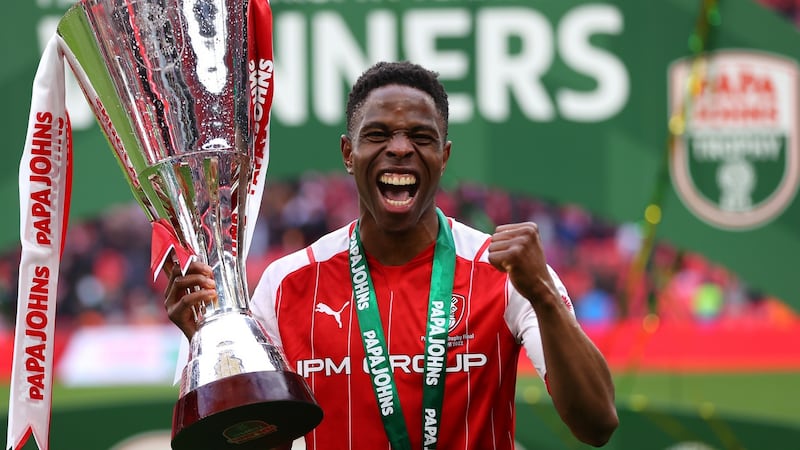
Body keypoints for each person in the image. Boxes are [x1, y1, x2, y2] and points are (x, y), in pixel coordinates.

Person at [164, 61, 619, 449]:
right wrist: (206, 350)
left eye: (420, 137)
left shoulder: (506, 272)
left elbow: (597, 423)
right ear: (348, 153)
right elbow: (255, 442)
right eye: (378, 134)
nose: (400, 149)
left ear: (444, 155)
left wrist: (540, 293)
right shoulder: (286, 286)